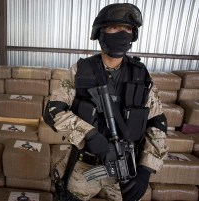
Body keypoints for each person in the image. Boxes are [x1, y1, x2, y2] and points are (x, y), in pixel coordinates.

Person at [44, 3, 168, 201]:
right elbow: (52, 111)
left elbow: (157, 121)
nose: (122, 33)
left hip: (126, 169)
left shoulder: (140, 74)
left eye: (127, 29)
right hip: (85, 167)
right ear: (101, 33)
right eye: (115, 27)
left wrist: (146, 168)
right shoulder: (81, 70)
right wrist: (89, 134)